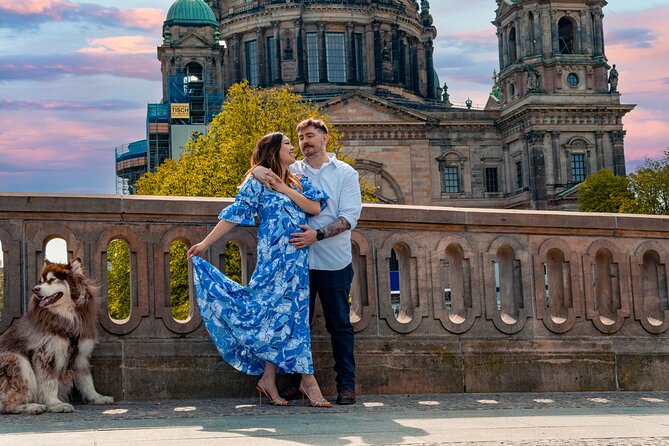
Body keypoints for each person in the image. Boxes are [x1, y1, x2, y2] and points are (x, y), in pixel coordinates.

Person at [187, 132, 331, 408]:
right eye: (288, 143)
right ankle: (308, 381)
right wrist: (205, 243)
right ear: (274, 150)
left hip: (297, 263)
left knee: (292, 319)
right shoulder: (257, 182)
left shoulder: (299, 180)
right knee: (266, 315)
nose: (293, 147)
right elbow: (234, 214)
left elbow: (314, 207)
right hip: (274, 262)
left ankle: (268, 379)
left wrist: (284, 188)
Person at [254, 118, 362, 405]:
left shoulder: (345, 173)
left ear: (325, 138)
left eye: (310, 135)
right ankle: (292, 383)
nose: (304, 141)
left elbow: (349, 217)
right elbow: (260, 167)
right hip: (296, 262)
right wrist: (262, 169)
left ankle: (346, 385)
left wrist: (318, 235)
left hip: (332, 261)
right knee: (293, 323)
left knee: (339, 325)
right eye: (300, 137)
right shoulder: (291, 170)